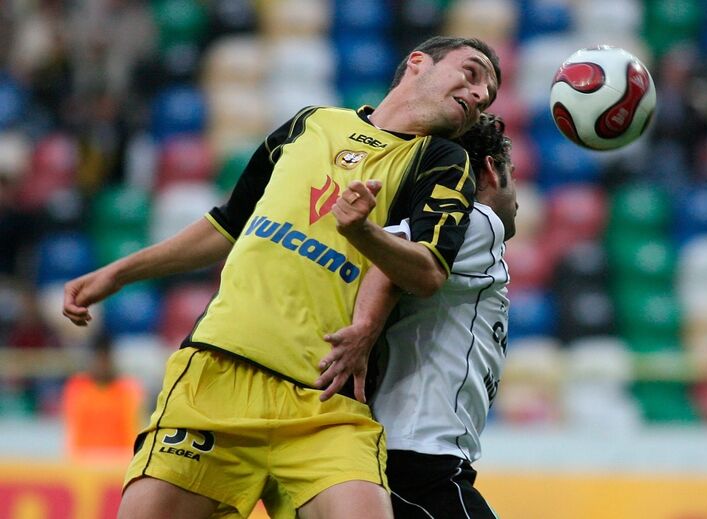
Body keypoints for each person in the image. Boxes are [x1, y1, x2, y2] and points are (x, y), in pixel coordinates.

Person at [62, 36, 501, 519]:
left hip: (324, 399)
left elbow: (427, 271)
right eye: (473, 72)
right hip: (219, 374)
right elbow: (228, 224)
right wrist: (120, 273)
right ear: (418, 63)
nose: (480, 95)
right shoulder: (310, 123)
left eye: (490, 94)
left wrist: (363, 231)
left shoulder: (442, 161)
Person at [316, 113, 517, 518]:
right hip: (420, 455)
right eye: (513, 177)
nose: (518, 199)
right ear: (492, 171)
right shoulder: (476, 220)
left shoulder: (440, 227)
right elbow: (386, 258)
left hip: (414, 453)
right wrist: (364, 330)